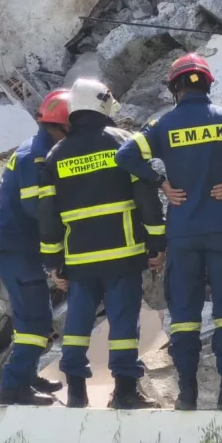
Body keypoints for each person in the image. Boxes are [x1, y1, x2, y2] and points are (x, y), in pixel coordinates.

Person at [114, 53, 222, 411]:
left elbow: (125, 156)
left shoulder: (162, 125)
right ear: (207, 84)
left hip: (183, 232)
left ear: (175, 88)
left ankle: (187, 395)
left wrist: (160, 182)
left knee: (186, 317)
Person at [37, 78, 166, 410]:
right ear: (103, 103)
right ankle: (123, 392)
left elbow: (48, 218)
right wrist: (156, 242)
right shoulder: (126, 144)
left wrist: (55, 263)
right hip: (123, 256)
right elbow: (147, 199)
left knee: (77, 325)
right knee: (123, 323)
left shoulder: (55, 156)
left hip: (79, 260)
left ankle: (77, 393)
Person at [0, 89, 71, 406]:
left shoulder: (39, 148)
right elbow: (40, 210)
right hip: (15, 249)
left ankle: (27, 375)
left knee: (37, 314)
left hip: (19, 247)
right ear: (64, 124)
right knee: (34, 320)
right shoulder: (35, 158)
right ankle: (14, 388)